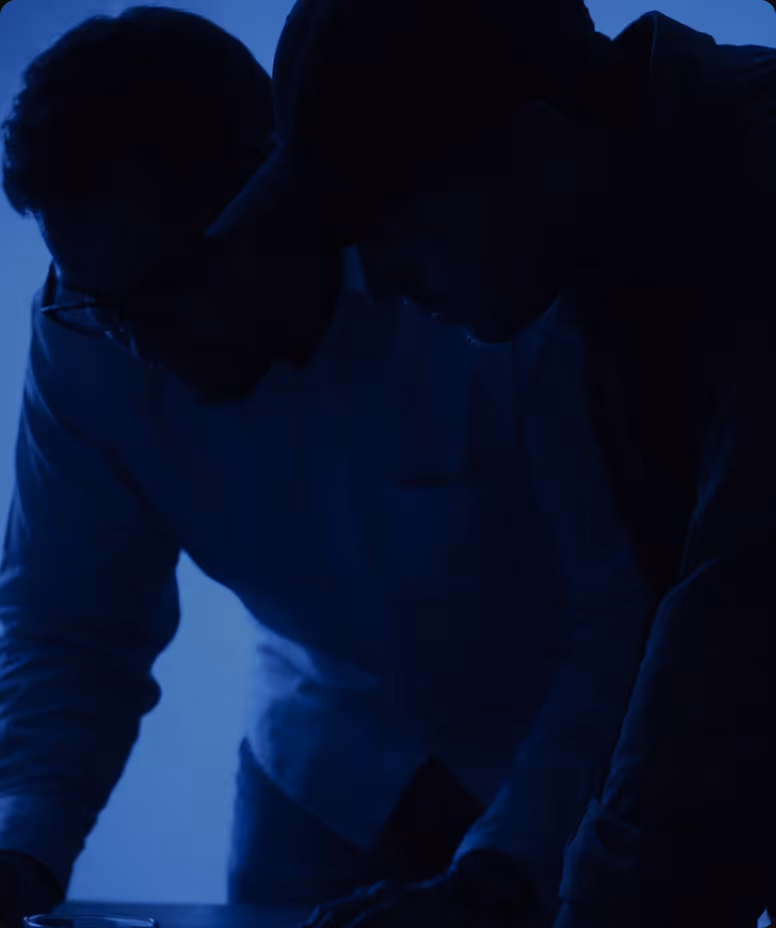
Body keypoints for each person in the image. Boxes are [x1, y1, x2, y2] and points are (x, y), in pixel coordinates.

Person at [0, 7, 654, 928]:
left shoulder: (486, 279)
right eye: (102, 303)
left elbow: (623, 613)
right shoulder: (86, 329)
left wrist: (503, 870)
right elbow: (70, 624)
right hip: (319, 766)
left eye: (167, 289)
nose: (139, 346)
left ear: (278, 187)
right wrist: (19, 851)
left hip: (578, 750)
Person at [131, 1, 776, 927]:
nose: (381, 278)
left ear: (532, 147)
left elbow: (733, 644)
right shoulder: (621, 241)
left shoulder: (755, 207)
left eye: (389, 221)